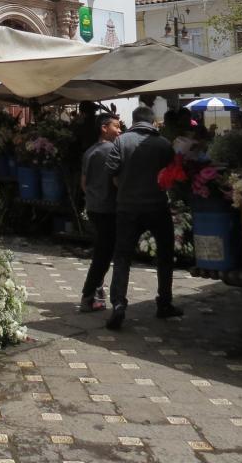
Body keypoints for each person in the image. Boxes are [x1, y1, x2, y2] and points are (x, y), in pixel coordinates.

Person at [105, 106, 183, 330]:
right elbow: (173, 174)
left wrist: (123, 185)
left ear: (134, 120)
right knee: (165, 255)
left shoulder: (121, 141)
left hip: (127, 207)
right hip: (158, 206)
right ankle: (164, 303)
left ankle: (118, 304)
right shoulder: (163, 144)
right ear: (152, 122)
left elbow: (110, 169)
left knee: (122, 257)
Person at [79, 113, 121, 312]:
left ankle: (97, 293)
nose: (120, 130)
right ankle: (88, 295)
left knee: (102, 251)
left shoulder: (90, 152)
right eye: (116, 126)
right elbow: (117, 181)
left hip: (94, 207)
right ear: (104, 128)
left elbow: (84, 184)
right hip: (108, 208)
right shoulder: (114, 150)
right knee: (104, 254)